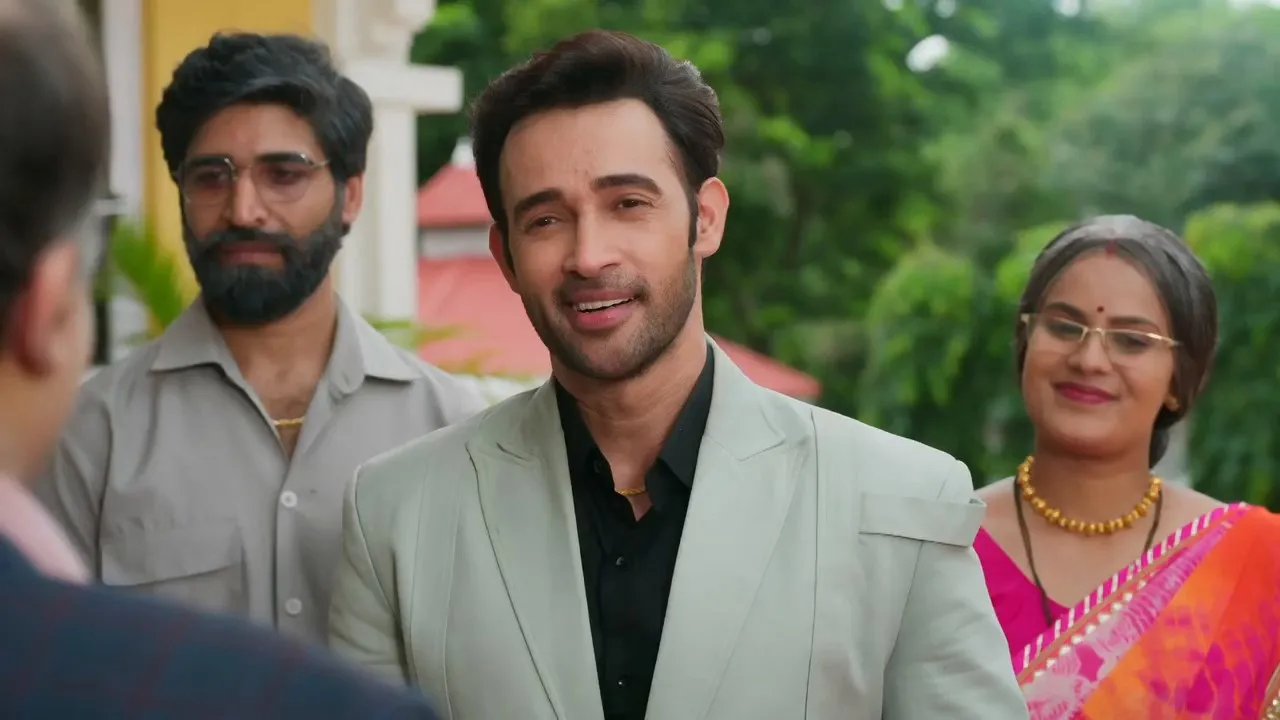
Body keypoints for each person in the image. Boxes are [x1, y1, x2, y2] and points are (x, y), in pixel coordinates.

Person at [328, 29, 1027, 719]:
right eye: (545, 220)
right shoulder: (398, 515)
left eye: (628, 204)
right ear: (505, 256)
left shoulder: (901, 500)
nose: (589, 255)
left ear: (706, 219)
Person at [0, 2, 441, 717]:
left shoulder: (449, 425)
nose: (243, 209)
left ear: (350, 195)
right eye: (211, 176)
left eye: (284, 174)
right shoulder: (88, 434)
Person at [975, 215, 1280, 717]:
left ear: (1180, 379)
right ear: (1025, 341)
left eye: (1133, 340)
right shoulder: (940, 543)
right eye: (1064, 327)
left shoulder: (1256, 565)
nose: (1090, 359)